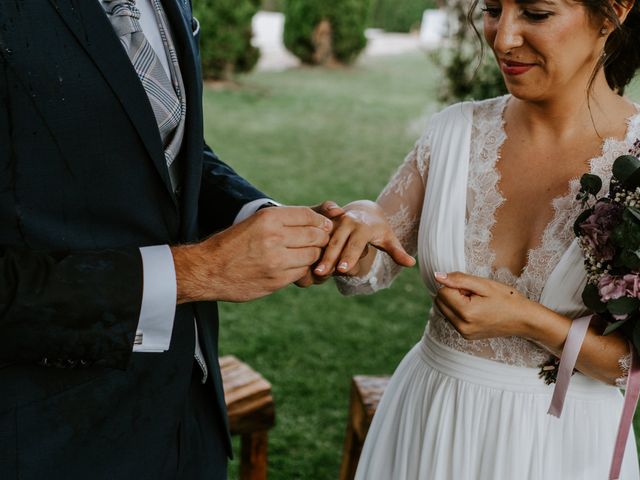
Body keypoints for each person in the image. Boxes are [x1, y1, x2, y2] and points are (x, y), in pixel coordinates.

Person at [0, 1, 398, 479]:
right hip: (48, 438)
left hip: (188, 420)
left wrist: (262, 218)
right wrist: (201, 270)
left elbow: (165, 152)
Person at [314, 0, 640, 478]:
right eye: (491, 8)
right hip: (431, 418)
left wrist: (530, 320)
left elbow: (631, 369)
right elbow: (374, 260)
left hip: (562, 446)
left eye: (535, 13)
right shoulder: (453, 132)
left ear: (615, 10)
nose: (502, 38)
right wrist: (360, 223)